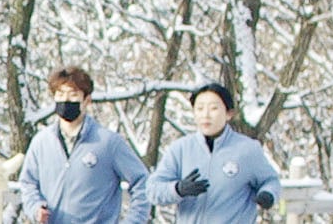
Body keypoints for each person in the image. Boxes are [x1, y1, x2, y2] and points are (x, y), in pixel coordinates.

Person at [21, 66, 148, 224]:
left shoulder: (108, 143)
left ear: (87, 100)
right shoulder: (41, 142)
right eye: (60, 94)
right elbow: (27, 183)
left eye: (73, 95)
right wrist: (35, 208)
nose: (66, 101)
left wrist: (132, 221)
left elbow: (143, 183)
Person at [146, 83, 280, 223]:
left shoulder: (247, 149)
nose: (206, 115)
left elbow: (270, 181)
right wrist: (177, 189)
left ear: (229, 113)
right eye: (200, 108)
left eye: (213, 108)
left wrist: (268, 194)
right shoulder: (180, 149)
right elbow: (153, 190)